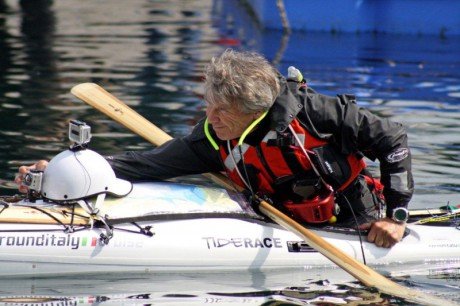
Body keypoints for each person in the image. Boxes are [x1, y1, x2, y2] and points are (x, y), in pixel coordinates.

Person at [15, 49, 413, 248]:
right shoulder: (213, 136)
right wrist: (66, 168)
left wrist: (396, 216)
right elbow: (145, 165)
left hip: (356, 225)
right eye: (208, 104)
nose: (211, 117)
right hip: (279, 223)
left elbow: (392, 139)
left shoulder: (319, 114)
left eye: (222, 110)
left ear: (253, 109)